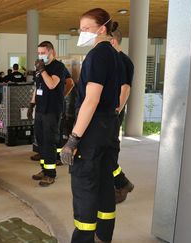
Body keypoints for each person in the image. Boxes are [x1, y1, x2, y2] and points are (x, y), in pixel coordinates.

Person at [60, 8, 121, 243]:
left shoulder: (96, 56)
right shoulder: (115, 55)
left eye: (86, 28)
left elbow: (91, 99)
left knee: (85, 186)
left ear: (102, 28)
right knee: (105, 183)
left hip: (92, 130)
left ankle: (83, 239)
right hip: (109, 128)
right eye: (80, 28)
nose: (81, 32)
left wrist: (74, 138)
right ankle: (104, 237)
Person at [27, 41, 73, 187]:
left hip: (52, 110)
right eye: (39, 53)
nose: (40, 56)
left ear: (51, 52)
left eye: (43, 53)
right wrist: (31, 104)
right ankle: (44, 169)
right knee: (40, 141)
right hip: (40, 109)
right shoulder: (42, 68)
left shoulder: (57, 67)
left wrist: (43, 70)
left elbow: (52, 84)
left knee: (49, 141)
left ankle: (50, 174)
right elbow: (37, 86)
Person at [110, 25, 135, 204]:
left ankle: (122, 184)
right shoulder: (112, 59)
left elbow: (125, 88)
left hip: (112, 112)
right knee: (105, 151)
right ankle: (121, 182)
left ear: (112, 41)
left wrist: (117, 109)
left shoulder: (123, 61)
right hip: (107, 112)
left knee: (108, 150)